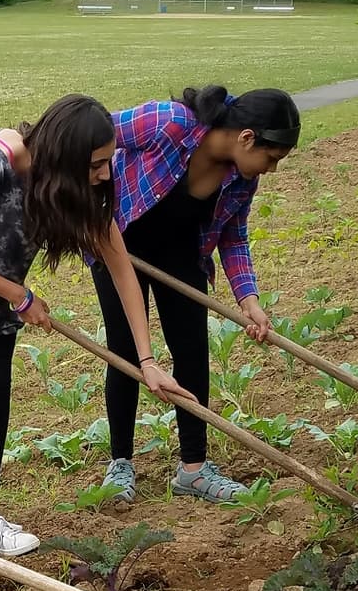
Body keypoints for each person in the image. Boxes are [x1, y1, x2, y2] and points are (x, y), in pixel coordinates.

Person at [0, 94, 191, 559]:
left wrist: (149, 362)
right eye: (96, 164)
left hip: (0, 271)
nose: (105, 174)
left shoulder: (79, 190)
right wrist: (18, 295)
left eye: (108, 162)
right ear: (65, 157)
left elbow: (122, 270)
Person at [92, 85, 300, 503]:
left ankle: (194, 469)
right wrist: (87, 205)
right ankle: (120, 464)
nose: (270, 170)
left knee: (191, 352)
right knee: (127, 351)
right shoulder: (169, 123)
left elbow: (234, 239)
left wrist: (250, 301)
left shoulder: (240, 181)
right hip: (119, 245)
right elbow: (91, 136)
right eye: (271, 158)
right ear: (246, 137)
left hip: (183, 256)